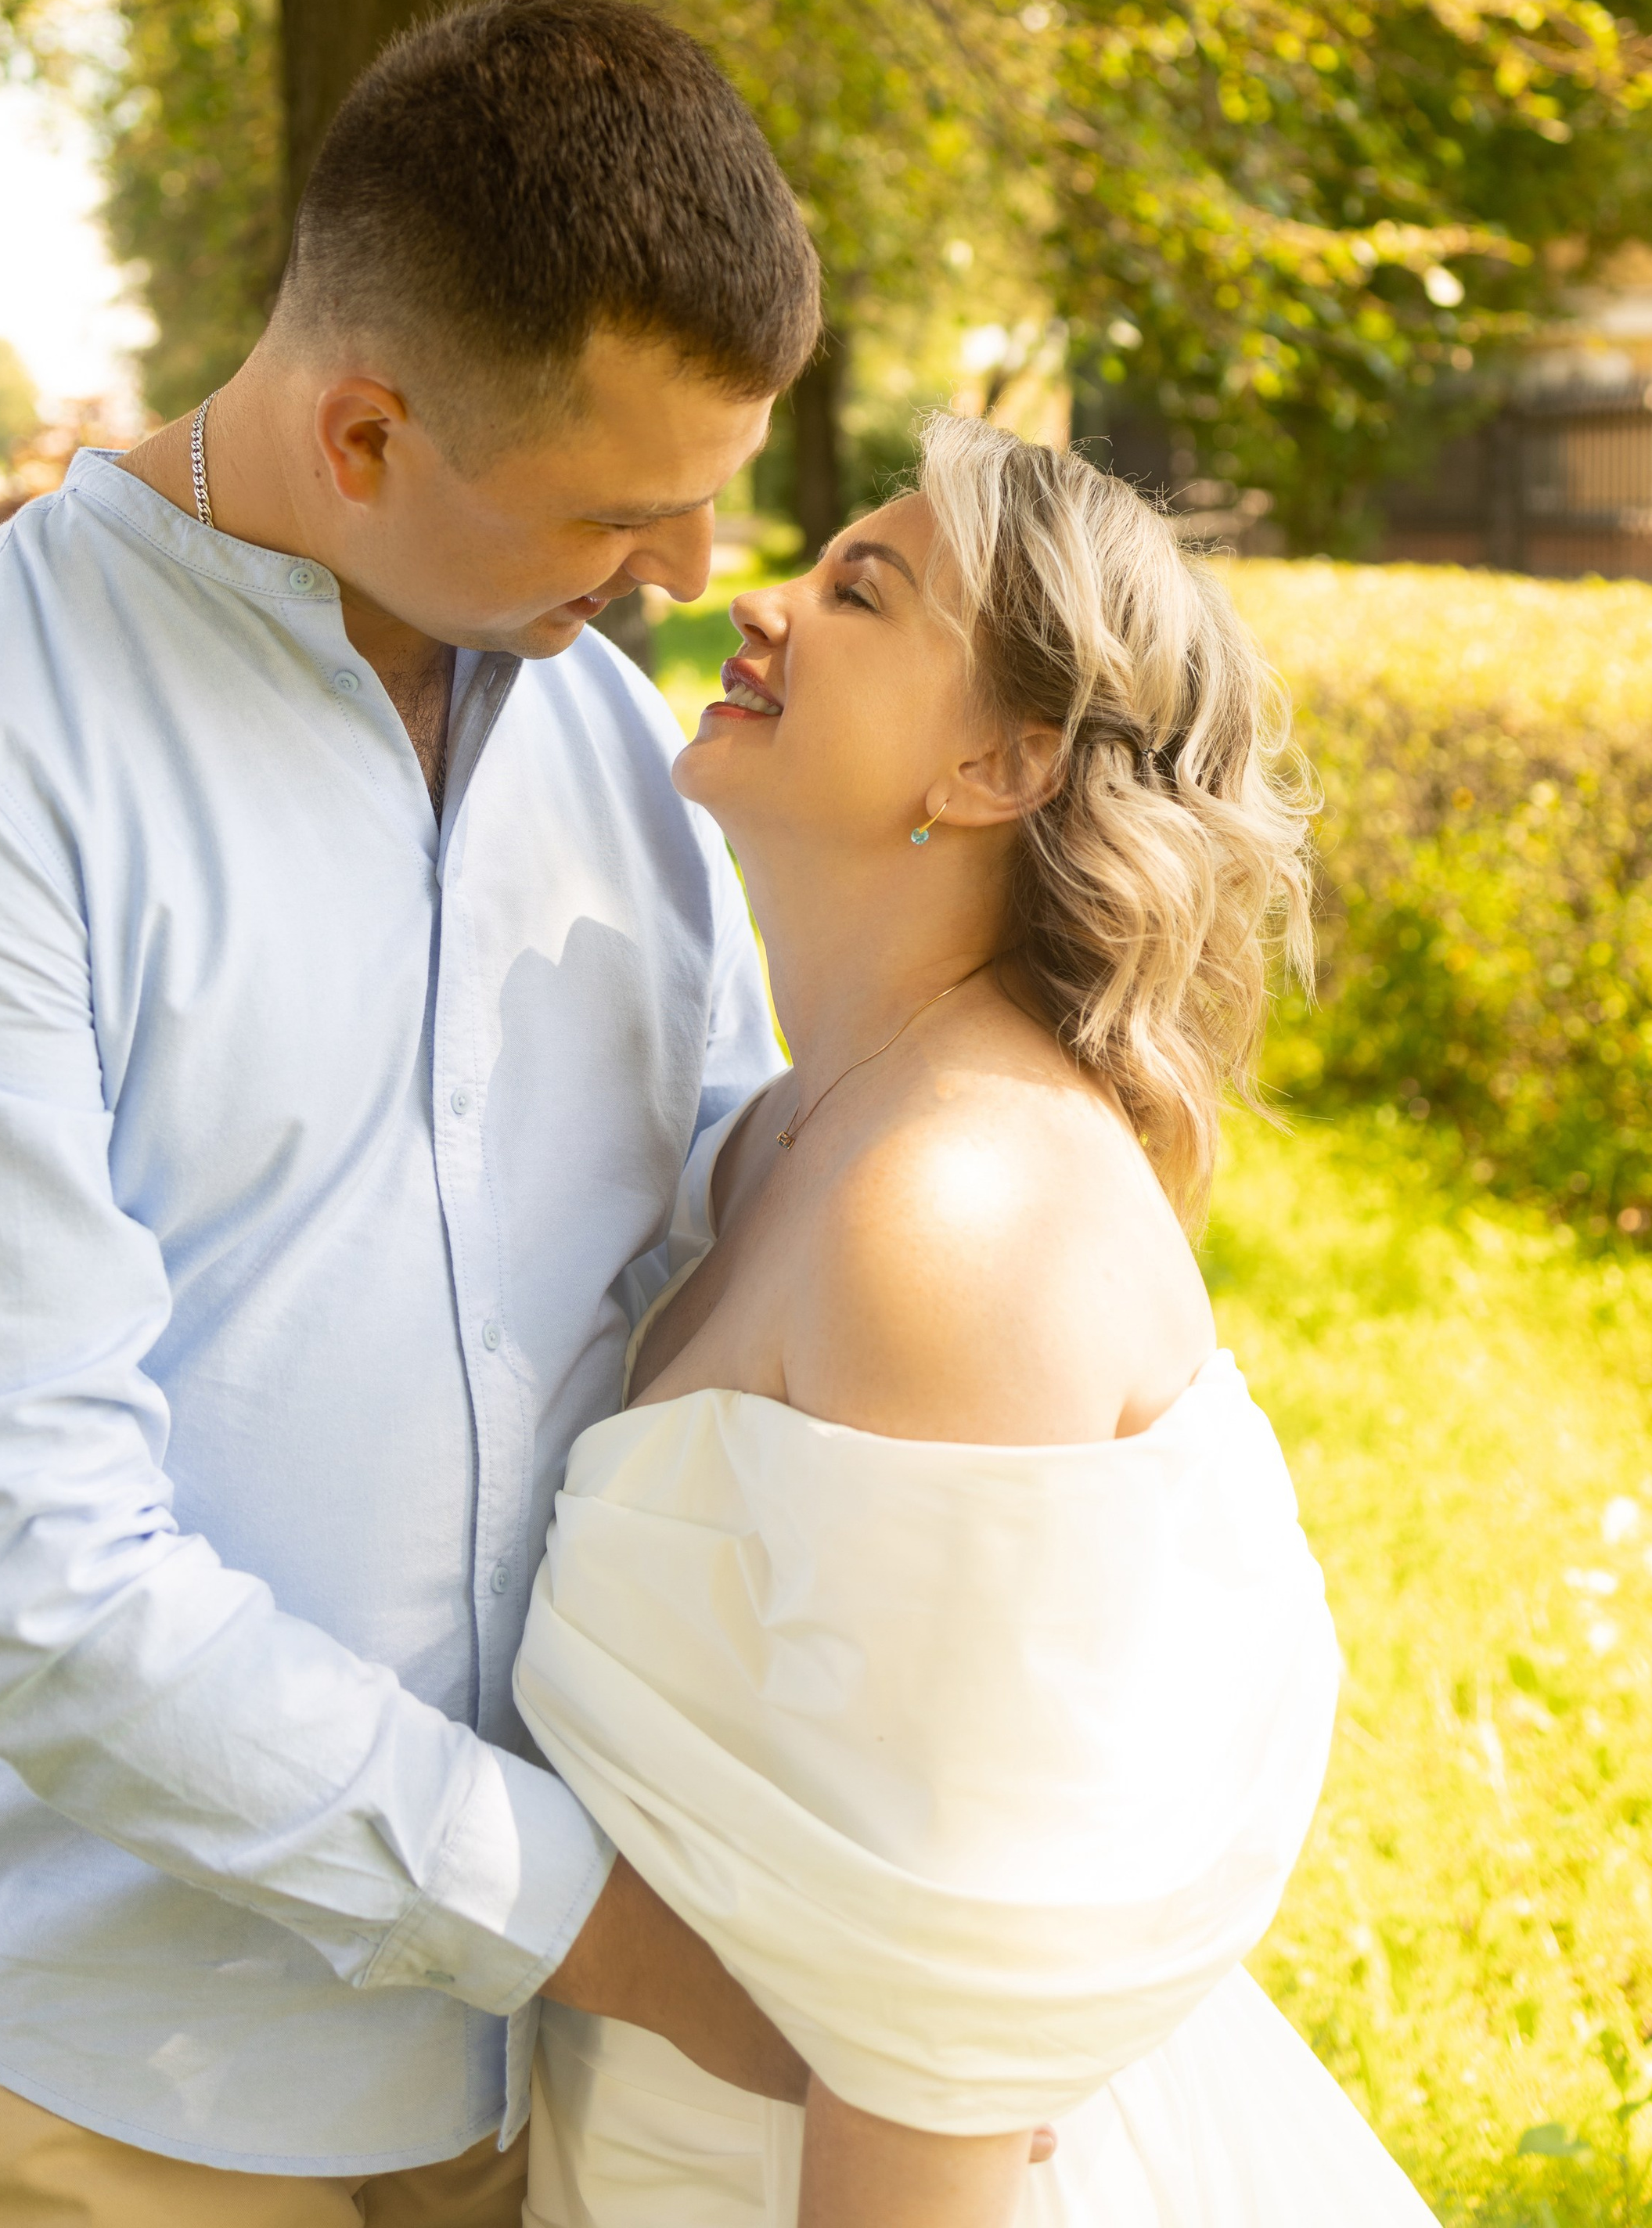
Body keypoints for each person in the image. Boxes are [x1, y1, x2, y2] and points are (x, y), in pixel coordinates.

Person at [0, 0, 829, 2226]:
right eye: (626, 510)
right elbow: (14, 1572)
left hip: (571, 2067)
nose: (695, 578)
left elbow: (737, 1235)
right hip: (138, 2076)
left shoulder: (608, 738)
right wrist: (616, 1929)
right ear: (362, 437)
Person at [513, 412, 1441, 2228]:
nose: (756, 606)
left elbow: (931, 2059)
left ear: (1000, 760)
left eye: (859, 591)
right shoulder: (799, 1131)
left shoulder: (951, 1222)